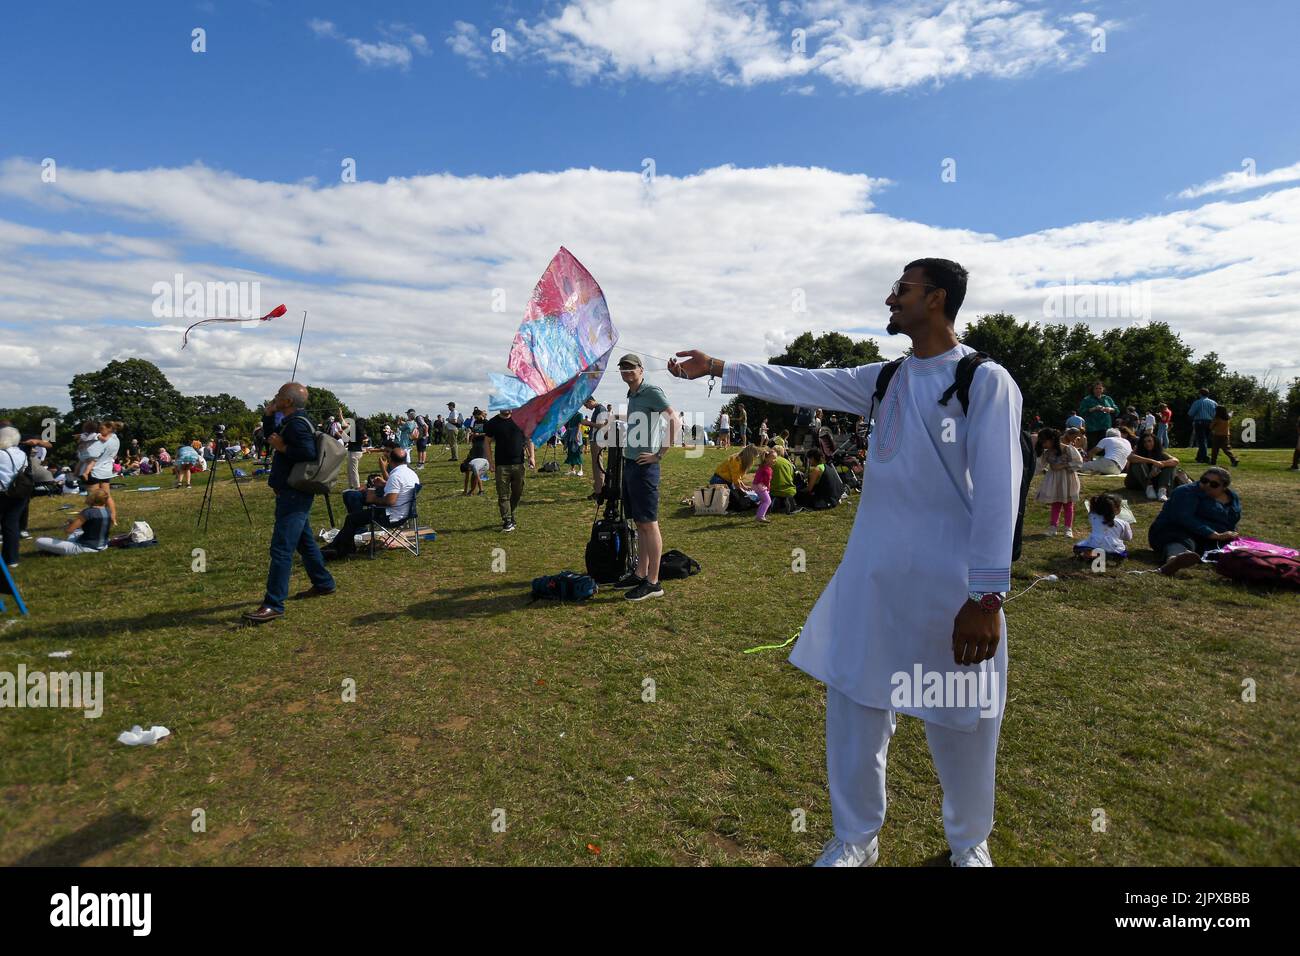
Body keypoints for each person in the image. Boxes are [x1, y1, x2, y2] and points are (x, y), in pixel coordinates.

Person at [671, 257, 1022, 867]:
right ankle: (855, 840)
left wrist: (986, 598)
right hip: (871, 582)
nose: (891, 298)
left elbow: (1000, 491)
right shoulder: (885, 380)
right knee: (856, 710)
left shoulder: (984, 380)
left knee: (962, 721)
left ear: (936, 299)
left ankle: (970, 846)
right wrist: (722, 367)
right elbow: (803, 381)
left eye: (902, 290)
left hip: (952, 591)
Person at [243, 383, 337, 624]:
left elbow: (306, 452)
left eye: (278, 396)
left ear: (288, 401)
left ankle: (274, 603)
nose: (274, 398)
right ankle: (323, 583)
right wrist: (267, 415)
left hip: (294, 492)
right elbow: (271, 433)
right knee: (304, 543)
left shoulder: (296, 424)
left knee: (282, 548)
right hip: (292, 491)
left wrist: (282, 447)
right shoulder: (292, 421)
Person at [615, 353, 678, 601]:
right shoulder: (632, 394)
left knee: (649, 523)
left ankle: (653, 582)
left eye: (631, 368)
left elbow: (674, 419)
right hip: (630, 463)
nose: (627, 371)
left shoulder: (651, 391)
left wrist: (659, 454)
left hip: (645, 467)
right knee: (639, 523)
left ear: (641, 370)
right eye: (623, 368)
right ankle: (641, 573)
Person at [323, 447, 419, 560]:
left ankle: (342, 549)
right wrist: (384, 484)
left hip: (390, 516)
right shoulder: (412, 474)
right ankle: (340, 546)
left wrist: (373, 499)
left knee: (351, 518)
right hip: (405, 513)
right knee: (355, 511)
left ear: (390, 460)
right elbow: (400, 492)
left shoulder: (396, 476)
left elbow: (390, 501)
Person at [1149, 467, 1241, 575]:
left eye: (1214, 484)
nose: (1207, 485)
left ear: (1224, 487)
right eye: (1204, 480)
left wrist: (1228, 533)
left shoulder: (1232, 497)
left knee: (1230, 547)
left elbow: (1232, 520)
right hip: (1171, 528)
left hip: (1207, 536)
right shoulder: (1185, 491)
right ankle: (1173, 560)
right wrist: (1213, 534)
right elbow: (1183, 518)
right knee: (1182, 539)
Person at [35, 486, 112, 556]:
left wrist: (69, 525)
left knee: (39, 541)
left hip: (85, 548)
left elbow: (69, 530)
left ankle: (58, 549)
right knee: (77, 532)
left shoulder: (87, 512)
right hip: (103, 545)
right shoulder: (108, 511)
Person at [484, 408, 527, 532]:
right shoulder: (492, 423)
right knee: (503, 494)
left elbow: (528, 438)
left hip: (518, 464)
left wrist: (532, 457)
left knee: (517, 492)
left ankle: (510, 513)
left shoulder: (520, 420)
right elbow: (487, 442)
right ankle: (507, 520)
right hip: (501, 465)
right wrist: (490, 462)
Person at [1034, 427, 1082, 538]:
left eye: (1044, 441)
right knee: (1056, 503)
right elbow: (1038, 466)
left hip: (1067, 479)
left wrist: (1062, 465)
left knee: (1068, 504)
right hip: (1054, 480)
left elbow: (1078, 463)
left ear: (1052, 439)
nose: (1043, 444)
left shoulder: (1067, 449)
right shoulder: (1046, 453)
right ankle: (1053, 527)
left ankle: (1067, 528)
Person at [0, 427, 31, 568]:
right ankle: (12, 559)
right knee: (11, 525)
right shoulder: (21, 453)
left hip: (2, 492)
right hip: (18, 492)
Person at [1073, 492, 1131, 565]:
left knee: (1078, 547)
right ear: (1116, 509)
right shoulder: (1123, 523)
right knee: (1121, 551)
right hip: (1115, 550)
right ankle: (1108, 556)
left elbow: (1093, 512)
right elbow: (1128, 538)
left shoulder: (1092, 517)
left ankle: (1093, 555)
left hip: (1094, 545)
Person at [83, 421, 121, 527]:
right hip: (106, 471)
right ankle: (113, 519)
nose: (99, 430)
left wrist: (86, 471)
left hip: (94, 470)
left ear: (109, 429)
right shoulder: (115, 439)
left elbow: (92, 458)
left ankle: (94, 521)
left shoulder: (101, 443)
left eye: (101, 429)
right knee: (107, 496)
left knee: (93, 498)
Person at [1125, 432, 1178, 501]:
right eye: (1144, 442)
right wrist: (1153, 462)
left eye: (1149, 441)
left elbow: (1175, 461)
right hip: (1135, 482)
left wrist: (1161, 464)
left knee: (1170, 465)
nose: (1147, 444)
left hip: (1153, 480)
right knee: (1138, 463)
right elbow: (1130, 457)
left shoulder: (1160, 453)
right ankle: (1148, 487)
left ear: (1155, 442)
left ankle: (1162, 491)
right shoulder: (1138, 451)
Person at [1077, 382, 1118, 451]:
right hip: (1092, 427)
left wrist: (1110, 409)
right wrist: (1094, 408)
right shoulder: (1087, 399)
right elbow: (1081, 411)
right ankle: (1091, 460)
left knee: (1105, 447)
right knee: (1093, 447)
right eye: (1096, 388)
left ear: (1103, 389)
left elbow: (1116, 410)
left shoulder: (1107, 398)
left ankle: (1104, 461)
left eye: (1100, 388)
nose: (1098, 390)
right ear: (1093, 390)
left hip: (1105, 426)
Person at [584, 396, 610, 500]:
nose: (586, 407)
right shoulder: (598, 409)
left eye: (586, 405)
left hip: (597, 441)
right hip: (595, 440)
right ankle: (598, 490)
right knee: (596, 466)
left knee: (598, 466)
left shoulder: (600, 409)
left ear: (590, 401)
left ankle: (599, 492)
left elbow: (602, 426)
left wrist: (588, 423)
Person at [463, 411, 490, 495]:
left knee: (477, 467)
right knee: (469, 466)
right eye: (474, 416)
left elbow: (489, 434)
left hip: (482, 446)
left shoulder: (486, 422)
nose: (475, 418)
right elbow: (474, 431)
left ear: (481, 414)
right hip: (475, 446)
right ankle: (471, 490)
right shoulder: (475, 422)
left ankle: (480, 490)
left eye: (476, 416)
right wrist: (472, 434)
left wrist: (479, 434)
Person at [342, 407, 369, 491]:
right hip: (354, 451)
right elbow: (365, 440)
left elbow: (344, 424)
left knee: (353, 471)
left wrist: (340, 414)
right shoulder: (361, 431)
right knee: (350, 470)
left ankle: (357, 487)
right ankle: (351, 486)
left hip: (354, 452)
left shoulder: (354, 429)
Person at [1188, 387, 1217, 463]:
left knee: (1201, 440)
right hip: (1210, 422)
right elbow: (1216, 414)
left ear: (1200, 394)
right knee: (1205, 440)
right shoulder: (1213, 402)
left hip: (1200, 422)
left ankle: (1205, 457)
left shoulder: (1197, 402)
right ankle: (1199, 457)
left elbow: (1191, 413)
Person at [769, 445, 799, 513]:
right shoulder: (788, 463)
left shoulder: (771, 461)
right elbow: (792, 477)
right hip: (790, 491)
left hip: (775, 491)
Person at [752, 448, 775, 523]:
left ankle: (759, 515)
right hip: (759, 486)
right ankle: (760, 516)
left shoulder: (764, 467)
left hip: (757, 485)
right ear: (766, 459)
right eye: (773, 458)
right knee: (767, 501)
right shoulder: (767, 469)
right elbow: (767, 481)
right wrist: (768, 488)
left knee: (764, 501)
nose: (775, 460)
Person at [563, 411, 585, 476]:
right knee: (570, 453)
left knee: (577, 452)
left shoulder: (579, 414)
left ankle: (581, 470)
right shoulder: (570, 414)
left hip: (576, 434)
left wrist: (577, 435)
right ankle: (573, 470)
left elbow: (579, 425)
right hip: (570, 435)